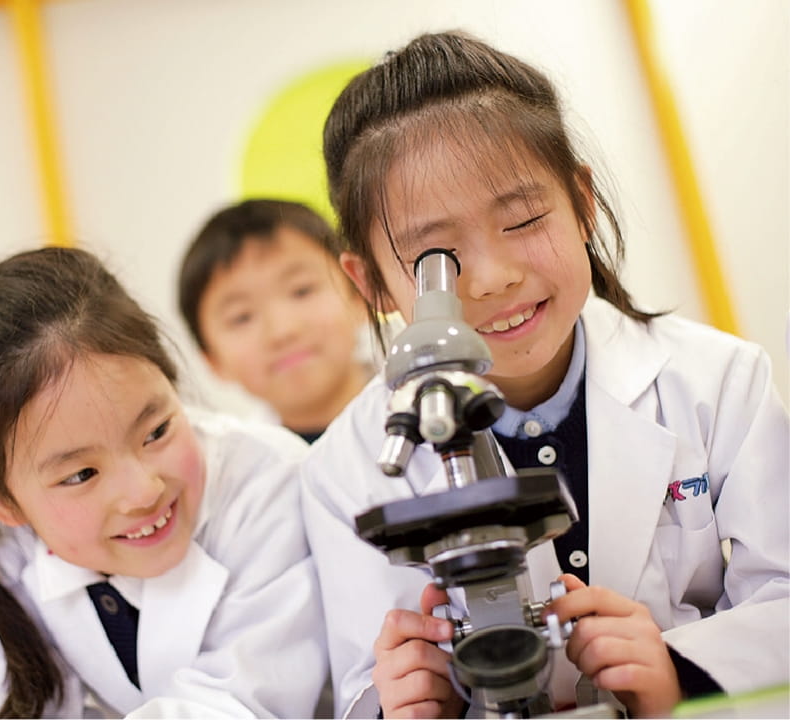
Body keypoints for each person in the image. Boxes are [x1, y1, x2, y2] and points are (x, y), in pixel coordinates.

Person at [300, 30, 789, 719]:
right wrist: (398, 702)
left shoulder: (720, 383)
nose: (494, 278)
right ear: (372, 283)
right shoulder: (344, 468)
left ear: (582, 203)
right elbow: (363, 679)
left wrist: (682, 672)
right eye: (437, 259)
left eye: (524, 219)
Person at [0, 246, 326, 718]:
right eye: (82, 474)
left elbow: (239, 703)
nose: (144, 491)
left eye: (156, 432)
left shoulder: (264, 481)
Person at [178, 198, 372, 443]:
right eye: (241, 317)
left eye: (302, 290)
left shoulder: (414, 399)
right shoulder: (236, 463)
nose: (283, 331)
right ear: (212, 360)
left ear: (359, 294)